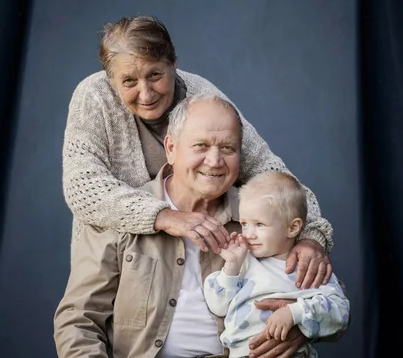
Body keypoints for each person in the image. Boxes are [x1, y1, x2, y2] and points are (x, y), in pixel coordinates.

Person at [62, 15, 335, 293]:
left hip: (204, 269)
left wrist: (311, 236)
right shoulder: (93, 97)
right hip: (116, 268)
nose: (146, 93)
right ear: (111, 80)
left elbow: (272, 175)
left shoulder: (202, 96)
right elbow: (82, 187)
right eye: (129, 81)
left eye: (155, 75)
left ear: (174, 65)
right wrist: (166, 215)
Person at [55, 95, 344, 357]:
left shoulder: (257, 220)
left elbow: (331, 303)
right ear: (171, 148)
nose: (215, 161)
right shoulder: (121, 213)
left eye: (227, 148)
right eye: (201, 146)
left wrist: (302, 324)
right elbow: (79, 320)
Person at [204, 171, 350, 358]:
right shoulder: (242, 262)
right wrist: (231, 267)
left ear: (292, 228)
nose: (249, 234)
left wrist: (294, 313)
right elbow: (218, 306)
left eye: (259, 224)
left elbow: (340, 314)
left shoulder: (307, 268)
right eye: (244, 223)